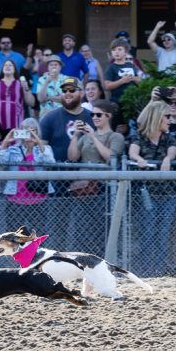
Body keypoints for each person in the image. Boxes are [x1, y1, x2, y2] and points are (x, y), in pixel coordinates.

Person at [67, 100, 124, 254]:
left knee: (99, 232)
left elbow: (110, 158)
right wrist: (76, 135)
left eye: (98, 114)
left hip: (101, 192)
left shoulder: (115, 136)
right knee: (80, 232)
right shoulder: (84, 137)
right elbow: (72, 157)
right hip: (82, 191)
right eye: (92, 114)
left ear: (108, 116)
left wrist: (93, 136)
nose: (94, 117)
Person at [129, 100, 176, 276]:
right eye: (167, 116)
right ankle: (146, 271)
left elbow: (172, 150)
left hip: (168, 194)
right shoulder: (140, 136)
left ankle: (159, 271)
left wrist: (167, 159)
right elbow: (132, 152)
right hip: (146, 194)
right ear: (157, 117)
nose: (170, 120)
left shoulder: (169, 137)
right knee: (147, 234)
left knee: (163, 235)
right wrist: (138, 159)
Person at [0, 119, 56, 233]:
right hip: (15, 199)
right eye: (26, 131)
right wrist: (5, 142)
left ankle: (35, 252)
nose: (29, 135)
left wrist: (38, 142)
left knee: (37, 235)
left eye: (32, 131)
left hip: (38, 199)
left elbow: (50, 162)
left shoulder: (44, 149)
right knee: (15, 236)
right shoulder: (13, 150)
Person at [0, 59, 33, 132]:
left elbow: (31, 103)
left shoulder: (21, 84)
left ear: (15, 69)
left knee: (16, 142)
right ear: (2, 69)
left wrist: (26, 88)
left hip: (16, 121)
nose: (8, 66)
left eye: (10, 65)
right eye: (5, 65)